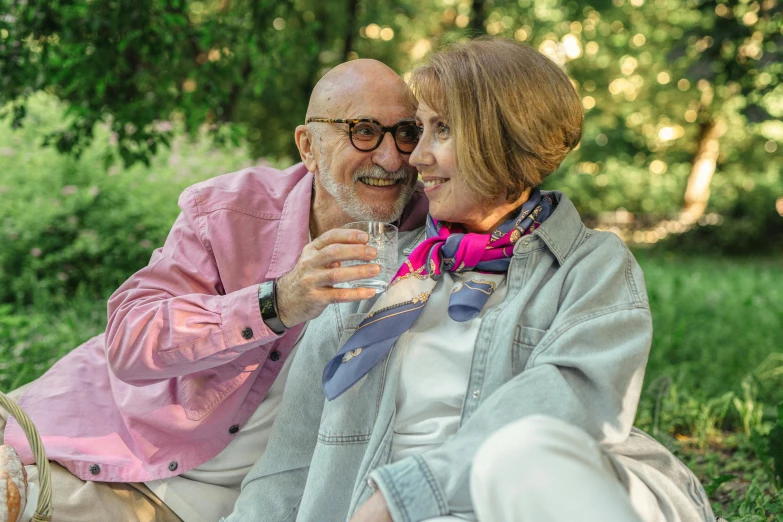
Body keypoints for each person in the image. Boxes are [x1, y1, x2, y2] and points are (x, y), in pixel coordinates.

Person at [224, 38, 715, 522]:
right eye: (421, 129)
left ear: (504, 140)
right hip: (383, 508)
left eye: (442, 131)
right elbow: (288, 463)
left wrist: (408, 494)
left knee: (526, 447)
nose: (414, 158)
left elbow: (568, 407)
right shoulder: (376, 261)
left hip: (530, 500)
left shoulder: (589, 267)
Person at [0, 58, 429, 522]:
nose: (391, 158)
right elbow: (129, 338)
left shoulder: (436, 232)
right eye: (363, 131)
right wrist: (276, 301)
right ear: (309, 147)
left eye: (407, 133)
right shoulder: (232, 210)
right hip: (108, 455)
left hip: (225, 506)